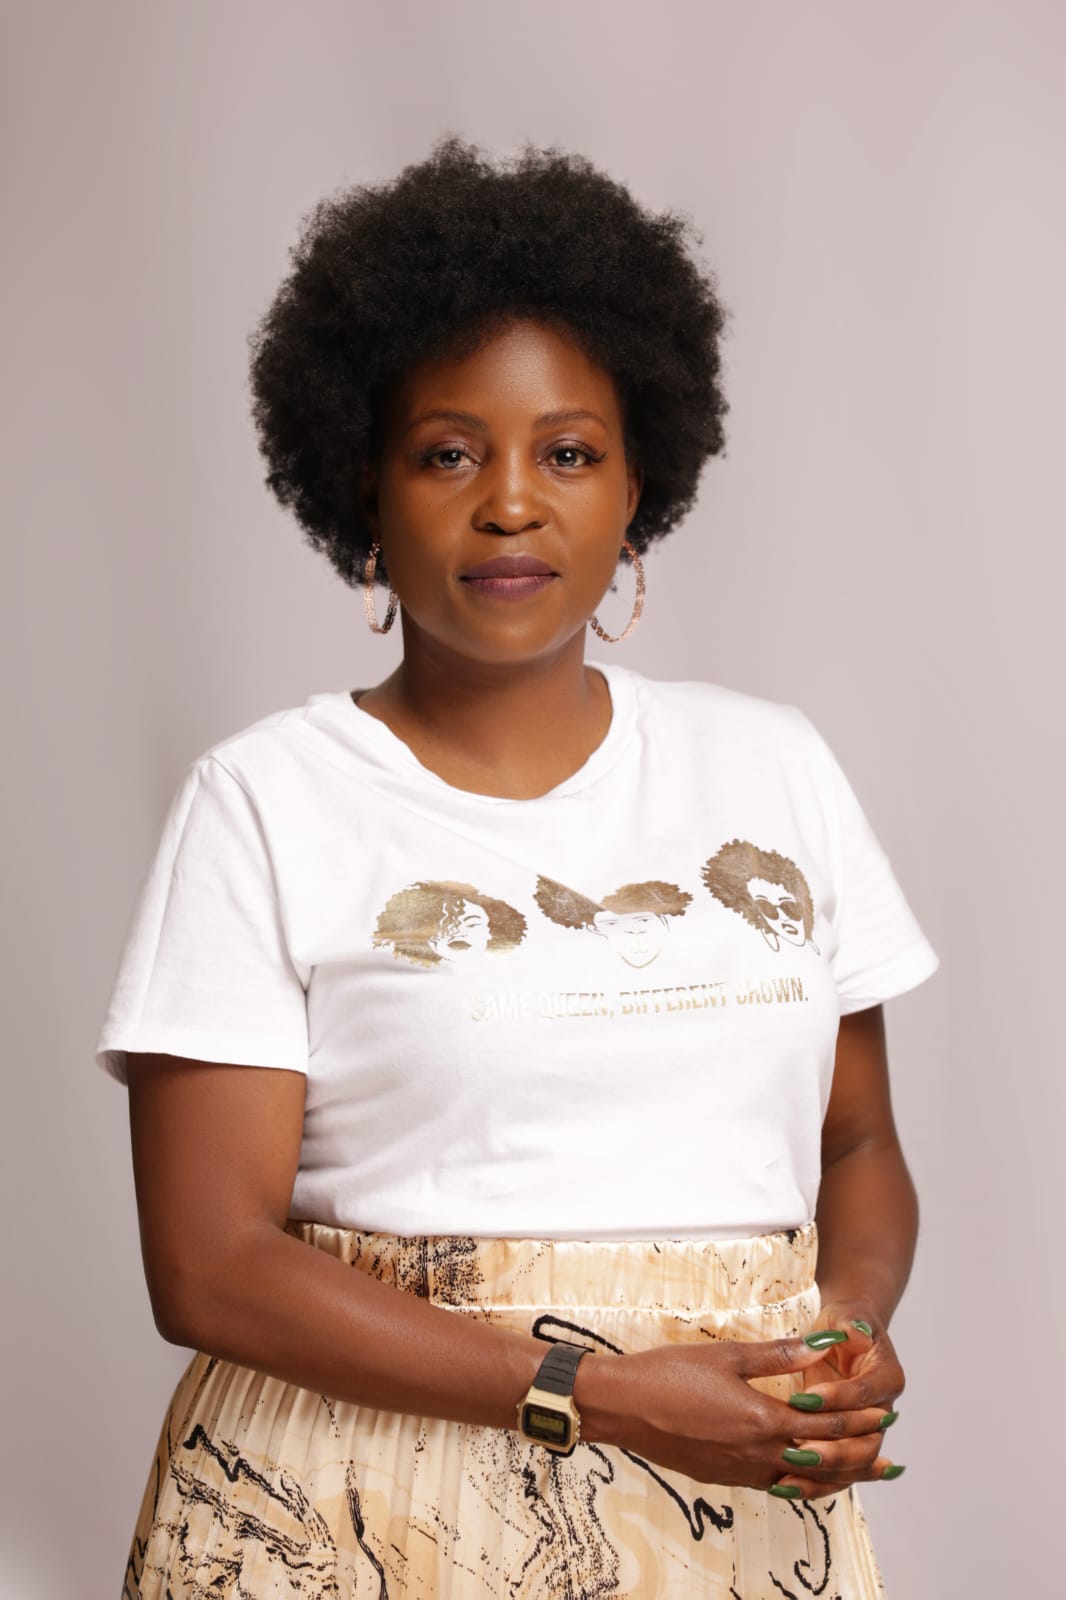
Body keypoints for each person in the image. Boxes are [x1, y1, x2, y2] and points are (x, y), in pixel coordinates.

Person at [95, 138, 939, 1599]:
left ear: (637, 484)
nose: (509, 503)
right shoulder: (268, 800)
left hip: (739, 1494)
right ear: (364, 489)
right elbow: (209, 1265)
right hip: (359, 1511)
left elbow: (857, 1148)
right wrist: (594, 1394)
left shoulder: (773, 765)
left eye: (567, 452)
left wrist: (841, 1335)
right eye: (447, 453)